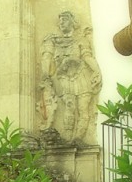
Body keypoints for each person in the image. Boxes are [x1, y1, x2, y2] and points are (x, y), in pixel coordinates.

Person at [38, 11, 102, 142]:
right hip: (64, 78)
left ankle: (78, 137)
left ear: (73, 22)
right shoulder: (55, 41)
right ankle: (67, 138)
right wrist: (45, 74)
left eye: (65, 20)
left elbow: (87, 56)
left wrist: (96, 71)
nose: (62, 23)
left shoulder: (80, 40)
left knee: (83, 108)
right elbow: (47, 58)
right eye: (60, 21)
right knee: (69, 105)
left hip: (81, 76)